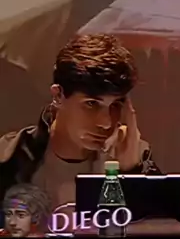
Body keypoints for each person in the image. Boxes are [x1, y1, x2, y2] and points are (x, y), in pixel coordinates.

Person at [0, 34, 162, 215]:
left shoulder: (133, 156)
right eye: (91, 104)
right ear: (58, 96)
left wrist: (132, 172)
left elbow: (163, 224)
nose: (106, 122)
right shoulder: (8, 158)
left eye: (116, 105)